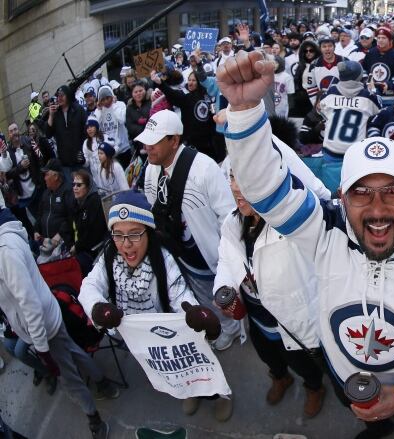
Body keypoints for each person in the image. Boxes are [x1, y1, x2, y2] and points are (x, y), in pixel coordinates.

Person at [217, 51, 394, 439]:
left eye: (392, 191)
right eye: (361, 193)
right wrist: (244, 110)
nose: (377, 210)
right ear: (341, 197)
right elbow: (265, 191)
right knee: (367, 423)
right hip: (347, 379)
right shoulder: (326, 232)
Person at [77, 191, 228, 420]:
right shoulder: (109, 256)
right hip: (140, 341)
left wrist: (197, 315)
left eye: (135, 234)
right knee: (173, 372)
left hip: (171, 336)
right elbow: (89, 286)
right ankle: (190, 393)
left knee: (194, 365)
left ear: (148, 232)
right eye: (118, 235)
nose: (126, 245)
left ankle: (219, 394)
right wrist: (98, 308)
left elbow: (181, 297)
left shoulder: (163, 260)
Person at [0, 199, 118, 439]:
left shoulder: (5, 252)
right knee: (72, 351)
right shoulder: (7, 242)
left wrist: (42, 349)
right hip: (46, 318)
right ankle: (103, 382)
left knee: (68, 378)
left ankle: (95, 420)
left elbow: (29, 303)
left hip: (43, 326)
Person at [214, 167, 326, 418]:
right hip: (257, 318)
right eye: (232, 176)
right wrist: (225, 287)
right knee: (267, 353)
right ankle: (280, 377)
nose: (234, 187)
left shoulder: (290, 225)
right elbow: (226, 258)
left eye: (244, 176)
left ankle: (314, 387)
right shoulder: (233, 222)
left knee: (302, 361)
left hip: (289, 320)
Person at [136, 110, 240, 351]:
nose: (146, 148)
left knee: (215, 291)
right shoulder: (152, 169)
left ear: (174, 141)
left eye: (153, 142)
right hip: (177, 248)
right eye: (145, 142)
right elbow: (155, 206)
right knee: (198, 292)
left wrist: (227, 252)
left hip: (206, 251)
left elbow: (227, 213)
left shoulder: (203, 167)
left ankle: (231, 329)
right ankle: (218, 325)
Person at [318, 61, 381, 192]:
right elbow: (379, 110)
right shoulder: (367, 97)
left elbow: (320, 109)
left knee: (331, 192)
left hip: (331, 149)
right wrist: (373, 90)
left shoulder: (331, 92)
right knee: (353, 191)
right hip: (355, 152)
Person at [151, 70, 221, 163]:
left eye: (193, 80)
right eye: (189, 80)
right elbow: (172, 94)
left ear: (199, 82)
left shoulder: (208, 95)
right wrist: (160, 83)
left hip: (210, 143)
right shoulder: (186, 98)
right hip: (193, 144)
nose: (190, 83)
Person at [0, 123, 38, 237]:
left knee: (30, 218)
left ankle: (37, 239)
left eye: (15, 129)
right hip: (12, 197)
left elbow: (6, 168)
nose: (14, 133)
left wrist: (4, 154)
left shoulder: (8, 151)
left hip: (17, 193)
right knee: (23, 222)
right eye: (11, 131)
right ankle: (34, 242)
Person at [45, 85, 88, 182]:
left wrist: (84, 151)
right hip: (65, 162)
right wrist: (51, 115)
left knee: (84, 186)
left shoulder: (79, 110)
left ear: (68, 95)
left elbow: (85, 132)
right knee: (72, 190)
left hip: (80, 158)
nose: (59, 98)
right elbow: (48, 134)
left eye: (62, 95)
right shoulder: (56, 114)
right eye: (58, 96)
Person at [70, 170, 108, 276]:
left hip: (92, 250)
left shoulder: (94, 203)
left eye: (79, 185)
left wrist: (77, 247)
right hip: (78, 246)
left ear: (88, 187)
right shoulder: (76, 203)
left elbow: (93, 234)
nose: (75, 188)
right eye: (73, 184)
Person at [35, 159, 74, 250]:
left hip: (63, 242)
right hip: (46, 242)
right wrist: (36, 230)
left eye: (47, 175)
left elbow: (71, 216)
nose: (44, 178)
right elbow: (39, 214)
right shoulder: (46, 194)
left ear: (56, 176)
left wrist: (61, 233)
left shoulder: (68, 191)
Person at [93, 86, 131, 168]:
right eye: (103, 99)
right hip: (108, 151)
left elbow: (122, 120)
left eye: (108, 98)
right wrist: (99, 110)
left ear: (112, 96)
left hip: (123, 147)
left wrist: (113, 105)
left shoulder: (120, 105)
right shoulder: (98, 110)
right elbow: (96, 126)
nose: (106, 101)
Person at [362, 27, 394, 98]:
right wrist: (368, 81)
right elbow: (364, 70)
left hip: (389, 92)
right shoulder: (371, 53)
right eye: (378, 38)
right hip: (371, 89)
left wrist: (389, 84)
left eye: (384, 38)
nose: (380, 40)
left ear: (390, 40)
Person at [304, 36, 344, 105]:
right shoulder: (314, 65)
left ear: (334, 47)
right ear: (320, 49)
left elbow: (351, 83)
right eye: (324, 46)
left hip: (342, 101)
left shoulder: (344, 62)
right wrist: (316, 102)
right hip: (322, 103)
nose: (327, 49)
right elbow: (311, 87)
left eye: (330, 46)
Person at [290, 40, 320, 119]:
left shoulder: (321, 65)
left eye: (311, 50)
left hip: (319, 98)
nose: (308, 53)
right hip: (304, 100)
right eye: (305, 51)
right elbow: (297, 84)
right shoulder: (300, 66)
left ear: (316, 51)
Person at [125, 82, 151, 155]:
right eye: (135, 92)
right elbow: (129, 125)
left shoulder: (151, 102)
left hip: (152, 139)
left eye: (140, 91)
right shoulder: (129, 108)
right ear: (132, 94)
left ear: (145, 90)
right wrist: (142, 130)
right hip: (138, 143)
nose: (138, 93)